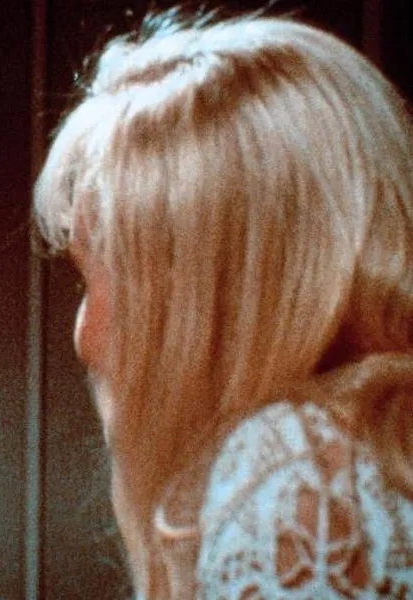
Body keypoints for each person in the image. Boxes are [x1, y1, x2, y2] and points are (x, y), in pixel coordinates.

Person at [34, 9, 413, 598]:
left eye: (100, 277)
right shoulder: (368, 451)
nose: (84, 336)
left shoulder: (302, 473)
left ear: (210, 297)